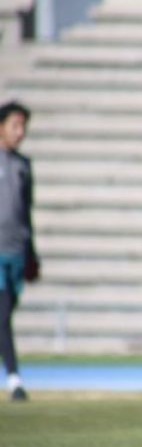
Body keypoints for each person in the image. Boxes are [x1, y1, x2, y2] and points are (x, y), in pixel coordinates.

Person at [0, 100, 39, 402]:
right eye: (15, 125)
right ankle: (15, 379)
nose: (20, 131)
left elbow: (26, 212)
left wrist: (32, 253)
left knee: (5, 313)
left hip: (15, 251)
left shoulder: (23, 165)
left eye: (23, 126)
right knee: (2, 317)